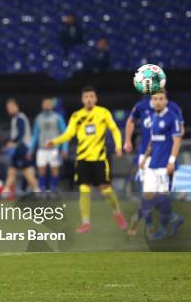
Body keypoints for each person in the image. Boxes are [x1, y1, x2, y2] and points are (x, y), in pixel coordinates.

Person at [46, 86, 127, 233]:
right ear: (82, 99)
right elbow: (68, 134)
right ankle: (86, 223)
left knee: (106, 190)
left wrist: (118, 146)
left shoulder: (103, 113)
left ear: (95, 98)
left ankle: (117, 213)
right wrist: (55, 141)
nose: (89, 99)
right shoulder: (77, 116)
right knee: (84, 190)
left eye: (91, 96)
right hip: (82, 159)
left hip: (99, 159)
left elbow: (114, 129)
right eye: (86, 97)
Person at [124, 89, 184, 235]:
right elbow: (149, 136)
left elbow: (178, 134)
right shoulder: (145, 109)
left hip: (164, 157)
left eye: (160, 98)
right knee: (147, 193)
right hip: (150, 157)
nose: (157, 101)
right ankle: (160, 220)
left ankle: (152, 224)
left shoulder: (173, 111)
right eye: (155, 98)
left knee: (159, 193)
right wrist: (143, 155)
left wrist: (171, 157)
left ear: (165, 100)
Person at [28, 97, 68, 193]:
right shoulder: (39, 118)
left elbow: (65, 134)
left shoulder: (58, 117)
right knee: (41, 170)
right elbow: (35, 135)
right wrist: (30, 150)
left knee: (55, 170)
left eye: (48, 103)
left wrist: (64, 148)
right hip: (42, 149)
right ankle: (42, 189)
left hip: (54, 149)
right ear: (42, 105)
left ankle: (53, 189)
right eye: (45, 103)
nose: (46, 105)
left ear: (52, 105)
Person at [2, 98, 38, 197]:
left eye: (10, 107)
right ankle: (5, 192)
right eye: (8, 108)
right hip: (21, 149)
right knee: (13, 171)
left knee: (25, 172)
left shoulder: (19, 118)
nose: (9, 109)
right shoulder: (16, 118)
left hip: (22, 149)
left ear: (16, 107)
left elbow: (21, 133)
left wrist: (11, 142)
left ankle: (36, 191)